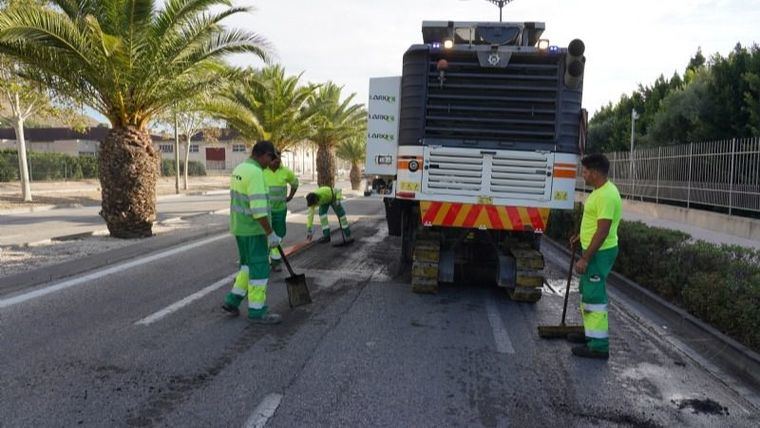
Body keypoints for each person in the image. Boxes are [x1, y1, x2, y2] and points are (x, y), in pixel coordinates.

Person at [222, 140, 282, 324]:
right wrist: (270, 233)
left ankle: (232, 300)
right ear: (263, 155)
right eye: (271, 157)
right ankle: (257, 311)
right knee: (259, 269)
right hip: (254, 230)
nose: (271, 162)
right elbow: (259, 211)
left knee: (247, 266)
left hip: (239, 228)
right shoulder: (256, 173)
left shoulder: (239, 169)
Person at [568, 153, 622, 359]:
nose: (583, 175)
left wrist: (585, 258)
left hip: (599, 253)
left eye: (586, 171)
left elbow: (603, 230)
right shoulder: (599, 191)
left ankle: (598, 346)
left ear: (596, 172)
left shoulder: (607, 195)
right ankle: (590, 333)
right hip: (594, 250)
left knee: (594, 297)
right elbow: (594, 224)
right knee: (587, 292)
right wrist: (579, 237)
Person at [263, 151, 299, 272]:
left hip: (280, 210)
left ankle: (276, 261)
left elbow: (295, 183)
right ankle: (264, 262)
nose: (277, 163)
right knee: (265, 236)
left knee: (278, 236)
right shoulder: (261, 171)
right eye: (275, 161)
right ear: (269, 160)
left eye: (279, 161)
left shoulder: (286, 171)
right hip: (265, 211)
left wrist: (290, 197)